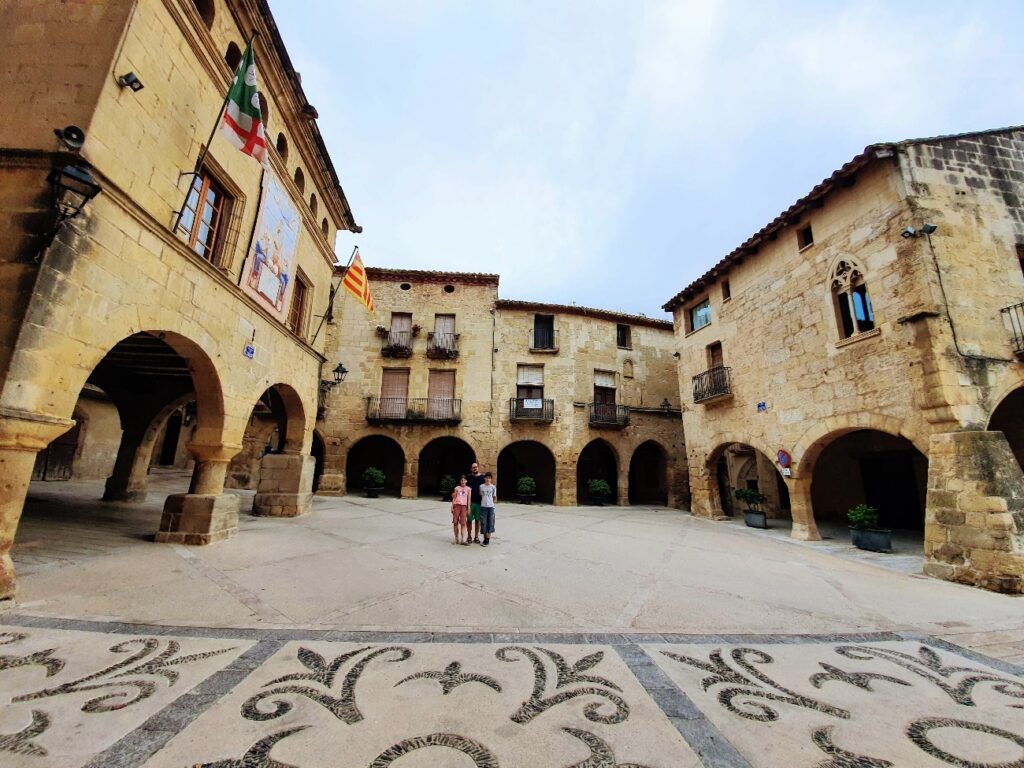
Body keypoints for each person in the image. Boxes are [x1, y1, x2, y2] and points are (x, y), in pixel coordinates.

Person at [466, 461, 485, 544]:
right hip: (470, 503)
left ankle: (476, 537)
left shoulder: (482, 477)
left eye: (476, 467)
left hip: (479, 503)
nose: (475, 468)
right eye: (473, 467)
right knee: (469, 521)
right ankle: (469, 536)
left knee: (477, 521)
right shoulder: (468, 477)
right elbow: (464, 487)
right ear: (471, 468)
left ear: (478, 467)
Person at [451, 475, 470, 545]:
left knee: (463, 523)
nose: (463, 481)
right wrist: (452, 506)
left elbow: (469, 499)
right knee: (455, 523)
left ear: (466, 481)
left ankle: (463, 539)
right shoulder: (457, 488)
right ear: (460, 481)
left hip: (464, 507)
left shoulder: (468, 489)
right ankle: (456, 538)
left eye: (464, 480)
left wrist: (469, 508)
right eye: (461, 480)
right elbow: (454, 498)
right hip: (457, 506)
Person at [479, 472, 497, 546]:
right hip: (483, 506)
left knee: (490, 523)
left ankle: (488, 539)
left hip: (491, 507)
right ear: (484, 478)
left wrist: (491, 502)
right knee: (483, 523)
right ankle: (484, 538)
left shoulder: (493, 487)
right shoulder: (481, 486)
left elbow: (494, 497)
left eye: (489, 478)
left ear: (491, 479)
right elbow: (481, 495)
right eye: (486, 478)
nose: (487, 479)